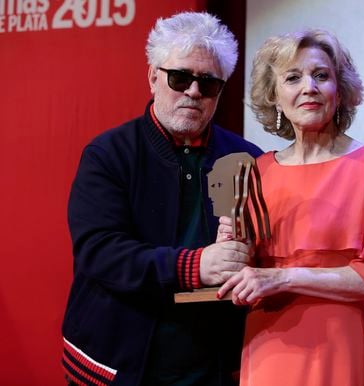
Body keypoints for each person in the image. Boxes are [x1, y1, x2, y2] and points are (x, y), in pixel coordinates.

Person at [61, 11, 262, 386]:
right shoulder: (108, 154)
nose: (193, 92)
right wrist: (195, 266)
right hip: (119, 362)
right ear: (153, 76)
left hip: (212, 365)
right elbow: (99, 251)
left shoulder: (249, 159)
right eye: (180, 77)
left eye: (209, 83)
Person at [217, 29, 364, 386]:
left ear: (339, 92)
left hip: (337, 344)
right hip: (268, 342)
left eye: (320, 76)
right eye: (293, 78)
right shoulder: (258, 170)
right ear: (275, 97)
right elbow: (243, 269)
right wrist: (230, 247)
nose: (308, 86)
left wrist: (283, 277)